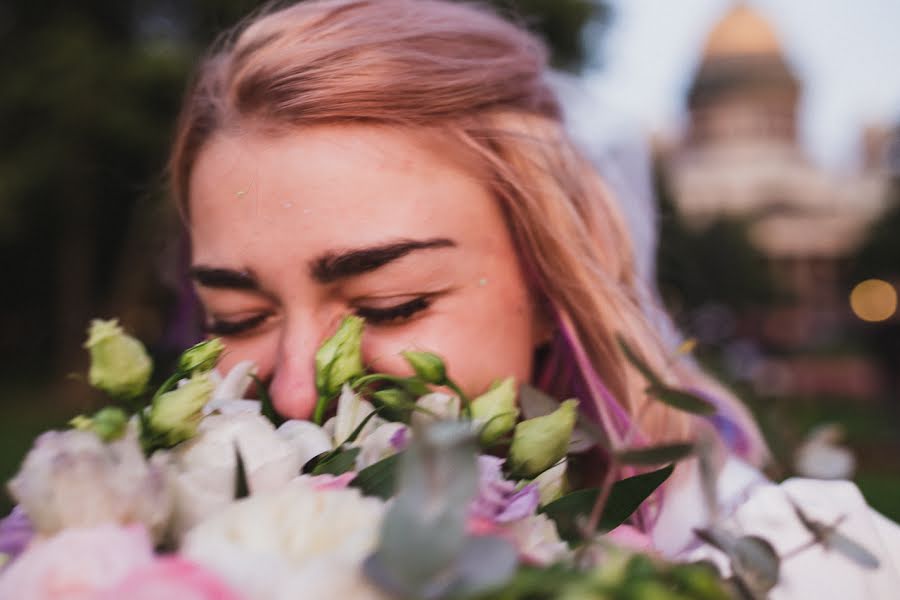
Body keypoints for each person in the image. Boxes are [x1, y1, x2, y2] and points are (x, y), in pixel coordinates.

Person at [169, 0, 900, 596]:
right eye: (238, 318)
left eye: (393, 304)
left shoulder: (792, 569)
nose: (297, 393)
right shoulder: (173, 544)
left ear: (549, 282)